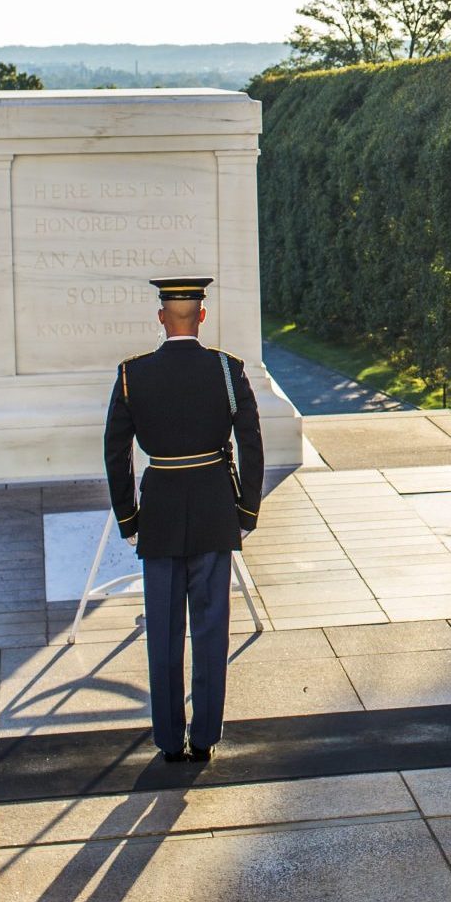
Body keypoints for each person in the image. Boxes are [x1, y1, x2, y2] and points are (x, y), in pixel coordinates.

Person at [103, 276, 264, 763]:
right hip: (214, 509)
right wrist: (246, 510)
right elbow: (251, 442)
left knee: (164, 632)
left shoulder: (133, 375)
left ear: (161, 318)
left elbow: (116, 453)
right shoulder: (227, 371)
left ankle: (170, 740)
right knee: (211, 630)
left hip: (160, 514)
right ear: (202, 316)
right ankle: (206, 736)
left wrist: (129, 518)